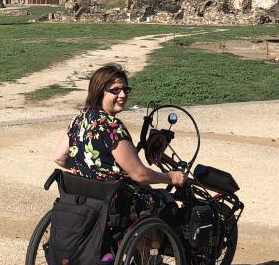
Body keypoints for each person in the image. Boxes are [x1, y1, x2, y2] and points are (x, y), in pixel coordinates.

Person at [52, 63, 186, 190]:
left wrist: (89, 172)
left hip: (86, 199)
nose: (123, 95)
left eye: (125, 90)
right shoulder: (112, 126)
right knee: (167, 202)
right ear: (100, 92)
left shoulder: (80, 118)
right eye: (115, 90)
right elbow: (140, 175)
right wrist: (171, 177)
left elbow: (59, 158)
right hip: (115, 202)